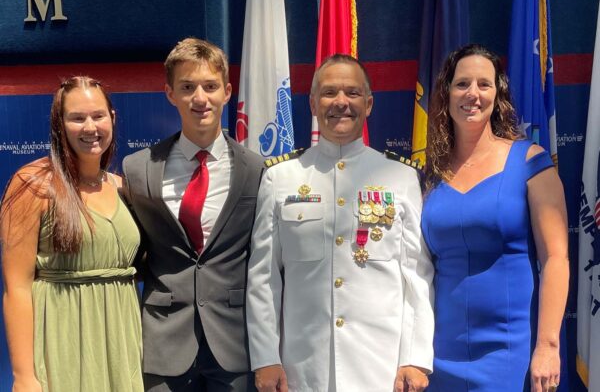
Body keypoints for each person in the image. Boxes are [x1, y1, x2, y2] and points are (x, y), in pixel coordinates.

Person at [246, 54, 434, 392]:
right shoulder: (281, 178)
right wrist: (265, 357)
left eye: (353, 93)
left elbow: (416, 276)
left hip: (380, 369)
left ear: (369, 104)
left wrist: (415, 357)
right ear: (313, 104)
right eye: (329, 93)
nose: (341, 102)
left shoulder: (400, 177)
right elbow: (264, 277)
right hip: (304, 370)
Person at [421, 44, 569, 392]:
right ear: (446, 93)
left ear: (497, 94)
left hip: (510, 356)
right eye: (462, 84)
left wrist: (548, 346)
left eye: (484, 84)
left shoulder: (530, 162)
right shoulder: (429, 176)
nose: (472, 93)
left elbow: (556, 258)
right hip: (438, 357)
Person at [122, 37, 263, 392]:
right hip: (163, 339)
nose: (200, 98)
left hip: (234, 344)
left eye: (210, 86)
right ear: (170, 93)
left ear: (227, 92)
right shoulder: (138, 168)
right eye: (187, 87)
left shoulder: (256, 169)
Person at [1, 76, 143, 392]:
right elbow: (17, 288)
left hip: (121, 343)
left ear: (112, 118)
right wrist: (23, 376)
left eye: (98, 115)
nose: (90, 127)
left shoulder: (122, 188)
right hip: (62, 345)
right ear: (60, 125)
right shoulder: (33, 184)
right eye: (77, 118)